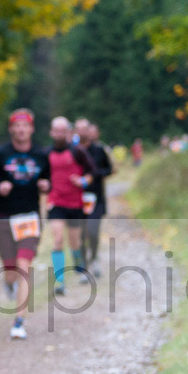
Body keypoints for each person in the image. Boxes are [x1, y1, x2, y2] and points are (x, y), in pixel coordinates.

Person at [0, 108, 51, 339]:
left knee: (23, 267)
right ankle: (10, 284)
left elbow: (49, 181)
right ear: (11, 129)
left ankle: (19, 321)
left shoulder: (41, 155)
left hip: (29, 218)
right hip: (4, 218)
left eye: (25, 126)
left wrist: (46, 186)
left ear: (31, 129)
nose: (20, 130)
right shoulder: (0, 153)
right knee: (10, 270)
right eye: (16, 126)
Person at [45, 116, 97, 295]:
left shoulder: (78, 151)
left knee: (74, 243)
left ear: (68, 132)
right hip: (56, 202)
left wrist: (83, 181)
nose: (59, 134)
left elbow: (92, 172)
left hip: (74, 204)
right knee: (58, 240)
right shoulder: (46, 154)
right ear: (51, 132)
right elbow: (42, 176)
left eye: (63, 130)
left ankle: (79, 265)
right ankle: (59, 282)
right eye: (56, 130)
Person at [79, 123, 114, 278]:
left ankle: (94, 258)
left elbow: (110, 169)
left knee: (92, 231)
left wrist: (96, 174)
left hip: (96, 198)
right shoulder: (74, 151)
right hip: (77, 199)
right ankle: (83, 265)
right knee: (80, 234)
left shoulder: (99, 150)